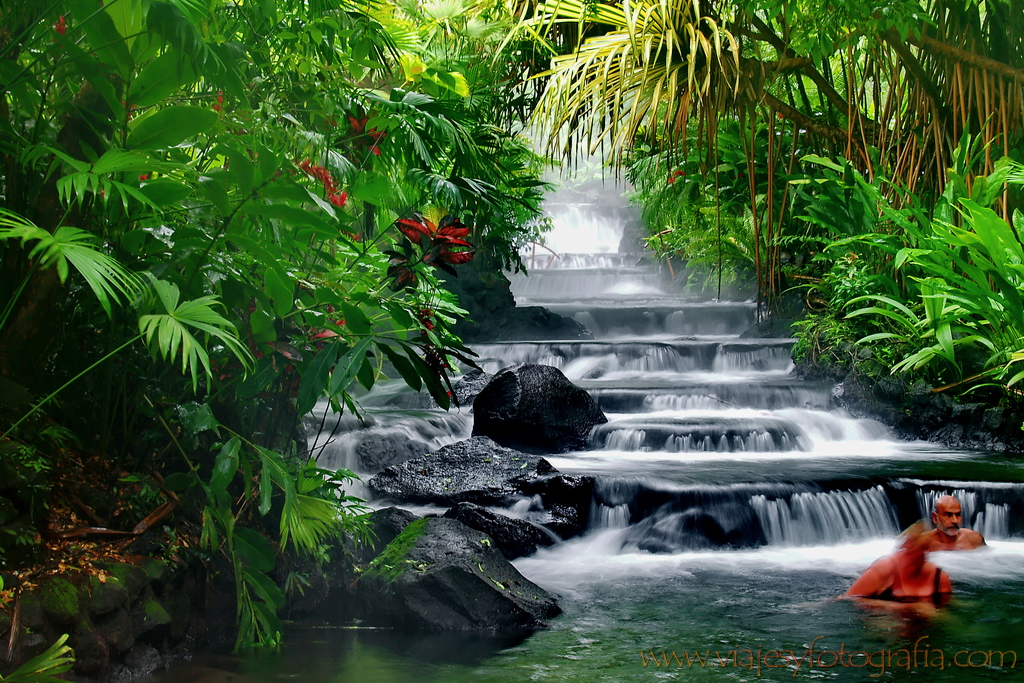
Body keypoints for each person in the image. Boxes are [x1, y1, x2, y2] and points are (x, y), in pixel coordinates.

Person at [845, 521, 952, 602]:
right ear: (906, 544)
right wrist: (905, 608)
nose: (921, 554)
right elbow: (848, 599)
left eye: (925, 548)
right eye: (918, 547)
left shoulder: (939, 577)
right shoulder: (882, 569)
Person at [919, 494, 986, 551]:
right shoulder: (922, 543)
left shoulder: (974, 539)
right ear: (935, 518)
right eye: (949, 515)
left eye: (958, 515)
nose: (955, 520)